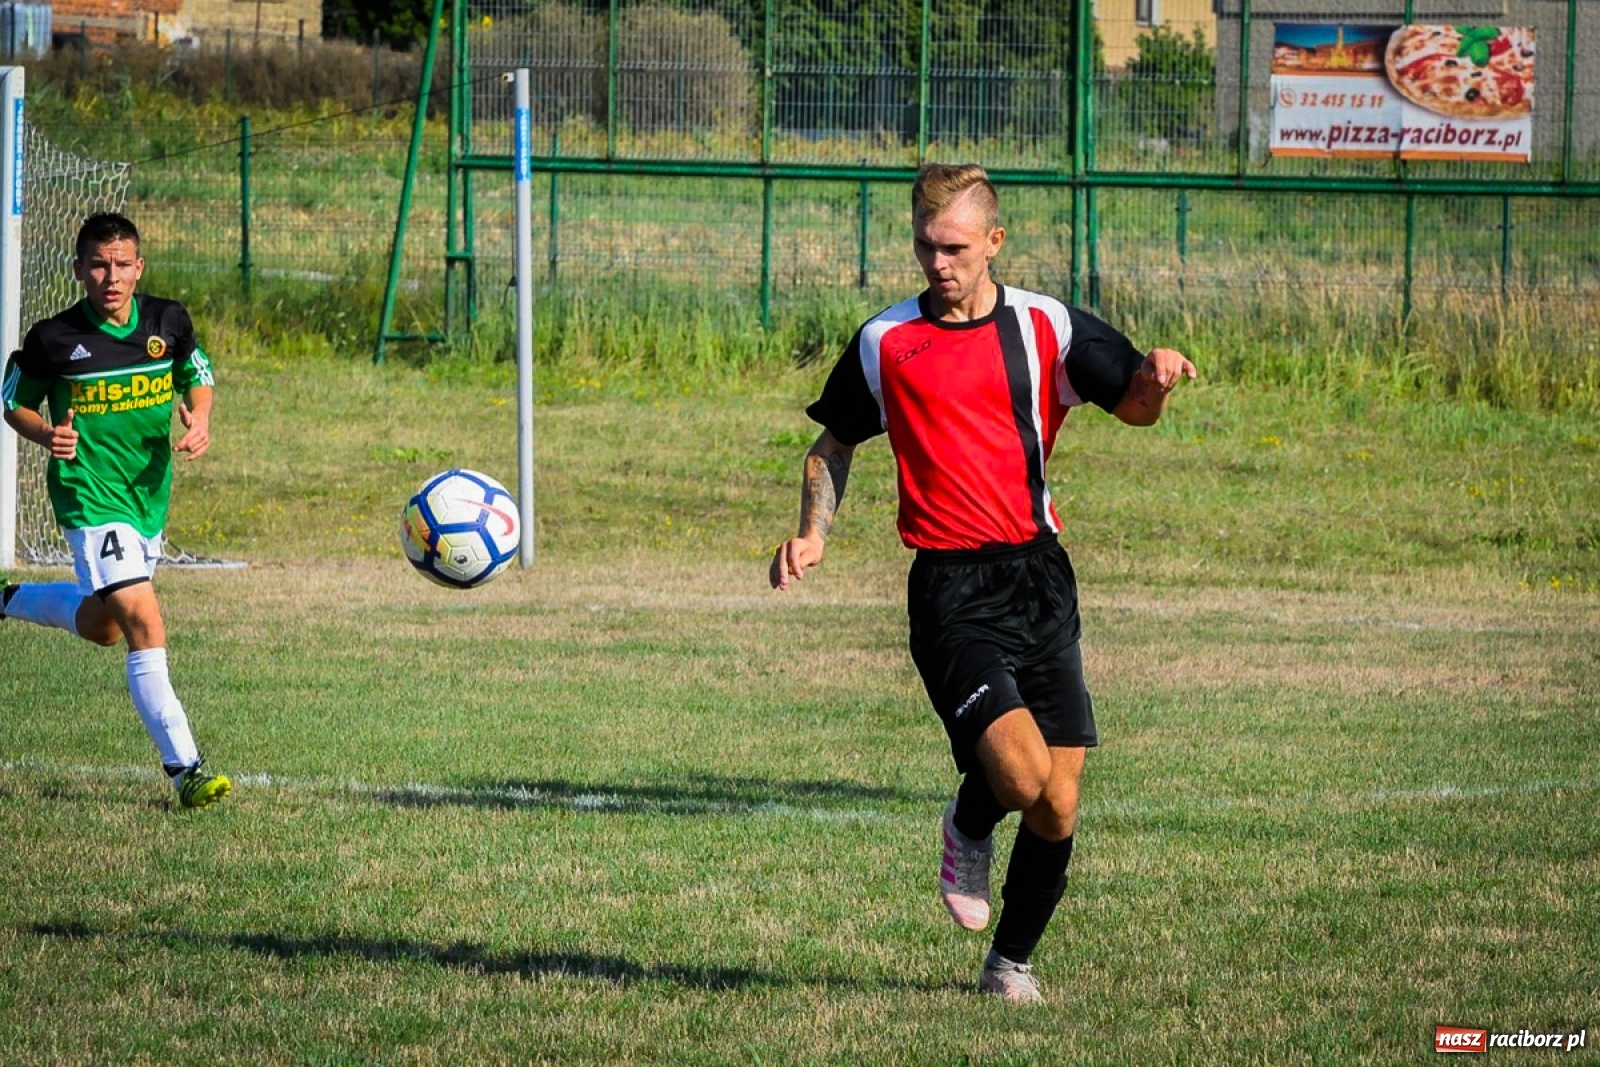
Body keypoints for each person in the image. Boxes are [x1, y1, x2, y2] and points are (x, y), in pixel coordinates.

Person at [769, 164, 1195, 1004]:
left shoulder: (1046, 325)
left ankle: (1010, 964)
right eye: (926, 246)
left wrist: (1154, 379)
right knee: (1017, 778)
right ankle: (968, 821)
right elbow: (832, 446)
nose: (938, 263)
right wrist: (814, 532)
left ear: (994, 241)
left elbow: (1134, 407)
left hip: (1040, 577)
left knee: (1059, 802)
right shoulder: (885, 341)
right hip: (950, 591)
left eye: (955, 247)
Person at [1, 212, 231, 809]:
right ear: (79, 269)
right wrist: (44, 433)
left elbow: (196, 374)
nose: (111, 276)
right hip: (89, 495)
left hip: (146, 494)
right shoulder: (52, 338)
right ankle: (187, 769)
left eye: (122, 264)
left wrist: (199, 416)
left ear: (139, 268)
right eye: (99, 265)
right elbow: (12, 401)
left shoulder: (167, 321)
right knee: (144, 622)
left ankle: (7, 599)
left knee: (105, 626)